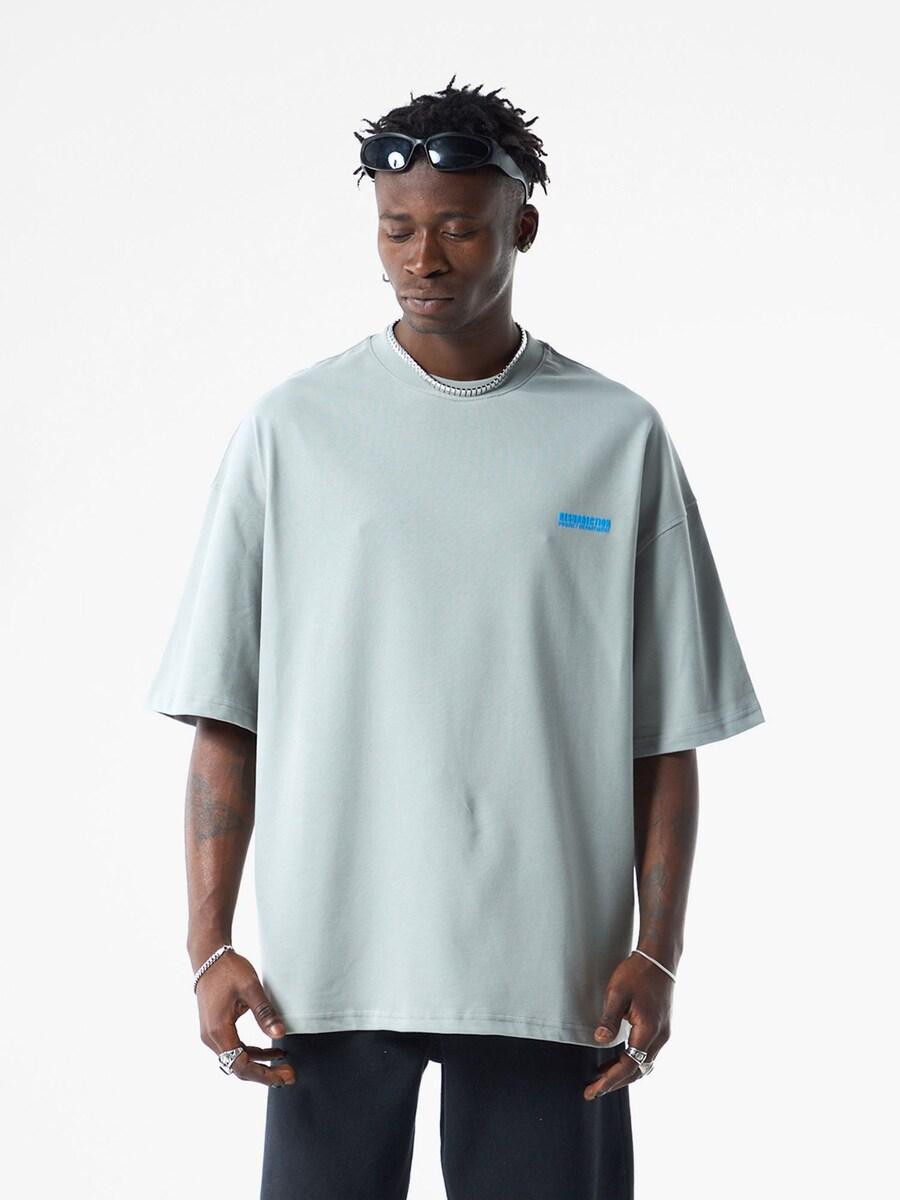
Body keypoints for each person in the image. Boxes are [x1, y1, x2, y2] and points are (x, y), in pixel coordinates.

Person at [145, 75, 765, 1200]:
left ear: (522, 228)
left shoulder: (617, 437)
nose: (422, 259)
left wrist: (658, 948)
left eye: (459, 229)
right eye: (396, 230)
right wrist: (208, 944)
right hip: (328, 973)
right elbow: (226, 713)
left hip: (555, 974)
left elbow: (665, 733)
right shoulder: (294, 431)